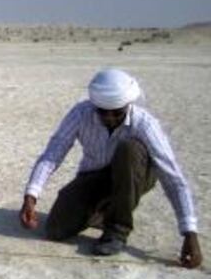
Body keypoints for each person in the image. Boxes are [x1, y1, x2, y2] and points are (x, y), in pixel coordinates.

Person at [18, 68, 202, 268]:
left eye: (117, 112)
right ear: (94, 105)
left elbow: (173, 178)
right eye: (103, 111)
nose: (110, 117)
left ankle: (117, 230)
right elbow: (53, 152)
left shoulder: (145, 124)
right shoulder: (81, 113)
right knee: (55, 230)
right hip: (94, 177)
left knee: (129, 150)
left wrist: (189, 233)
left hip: (136, 174)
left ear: (128, 104)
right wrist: (31, 195)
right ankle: (106, 211)